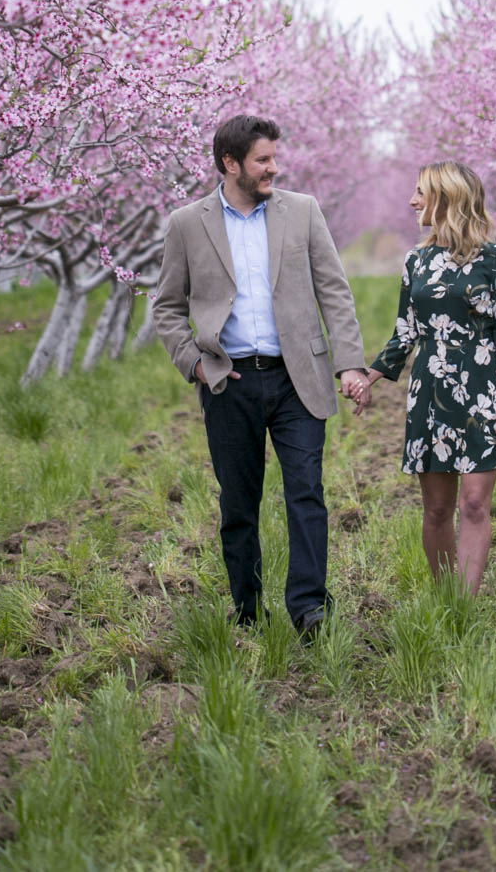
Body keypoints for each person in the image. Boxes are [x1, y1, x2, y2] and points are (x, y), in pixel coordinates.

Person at [152, 114, 369, 638]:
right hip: (230, 382)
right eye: (262, 160)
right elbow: (166, 307)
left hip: (298, 378)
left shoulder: (303, 212)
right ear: (231, 164)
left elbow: (333, 291)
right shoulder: (187, 223)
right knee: (238, 502)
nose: (274, 168)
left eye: (274, 158)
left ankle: (309, 609)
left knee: (306, 493)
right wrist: (196, 365)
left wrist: (349, 362)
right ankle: (248, 610)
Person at [359, 160, 496, 593]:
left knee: (473, 503)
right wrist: (369, 377)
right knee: (435, 508)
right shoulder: (417, 261)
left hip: (483, 388)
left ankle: (463, 607)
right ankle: (444, 596)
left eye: (421, 192)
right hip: (430, 390)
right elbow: (405, 331)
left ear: (447, 198)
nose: (412, 201)